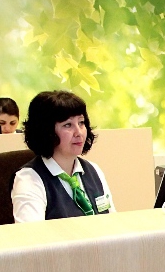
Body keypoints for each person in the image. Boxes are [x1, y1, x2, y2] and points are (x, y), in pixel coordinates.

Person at [12, 90, 115, 223]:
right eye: (68, 125)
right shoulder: (29, 179)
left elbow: (113, 224)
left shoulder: (94, 170)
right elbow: (32, 235)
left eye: (81, 123)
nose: (79, 132)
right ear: (46, 131)